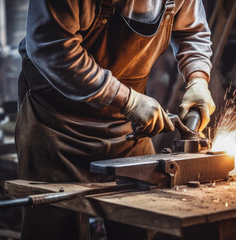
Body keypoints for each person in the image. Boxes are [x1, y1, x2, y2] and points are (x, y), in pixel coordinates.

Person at [16, 0, 215, 239]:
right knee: (56, 228)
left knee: (142, 222)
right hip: (56, 125)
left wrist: (198, 79)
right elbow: (53, 48)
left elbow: (192, 32)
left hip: (128, 128)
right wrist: (128, 100)